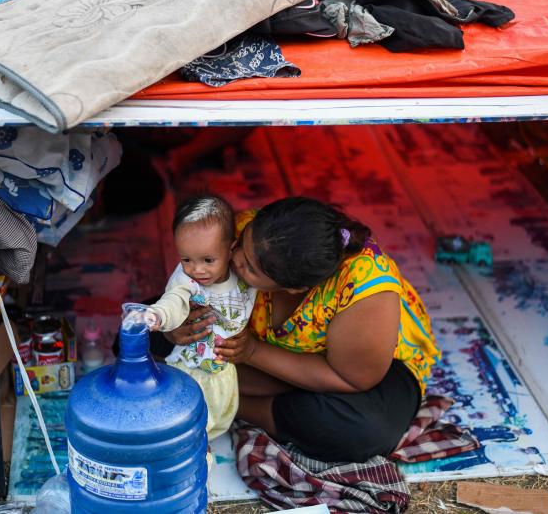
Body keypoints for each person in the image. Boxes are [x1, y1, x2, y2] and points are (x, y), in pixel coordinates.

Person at [165, 196, 440, 462]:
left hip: (353, 373)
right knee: (153, 333)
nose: (234, 259)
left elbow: (352, 380)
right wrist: (177, 325)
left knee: (364, 430)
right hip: (253, 356)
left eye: (250, 268)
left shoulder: (366, 290)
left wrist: (253, 352)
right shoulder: (245, 233)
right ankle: (226, 390)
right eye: (240, 244)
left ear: (295, 288)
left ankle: (228, 405)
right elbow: (187, 290)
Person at [146, 195, 256, 440]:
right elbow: (174, 299)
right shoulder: (187, 281)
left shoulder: (243, 272)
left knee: (220, 414)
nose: (197, 270)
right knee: (188, 420)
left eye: (208, 260)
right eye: (186, 259)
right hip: (191, 367)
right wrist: (159, 314)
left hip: (223, 369)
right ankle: (194, 446)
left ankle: (207, 438)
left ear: (231, 250)